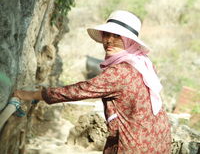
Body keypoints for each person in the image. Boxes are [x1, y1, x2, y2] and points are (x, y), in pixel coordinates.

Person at [14, 10, 171, 154]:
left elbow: (79, 91)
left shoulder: (121, 72)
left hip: (134, 145)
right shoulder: (143, 64)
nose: (109, 40)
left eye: (117, 36)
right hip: (159, 140)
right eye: (106, 34)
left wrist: (31, 94)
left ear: (129, 41)